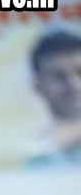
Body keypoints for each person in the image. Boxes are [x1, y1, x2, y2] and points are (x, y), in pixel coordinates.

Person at [29, 31, 81, 162]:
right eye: (59, 76)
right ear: (39, 87)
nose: (74, 85)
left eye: (80, 72)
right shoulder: (32, 153)